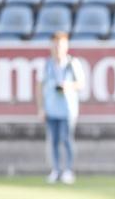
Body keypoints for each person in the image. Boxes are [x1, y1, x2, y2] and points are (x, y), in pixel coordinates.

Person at [36, 31, 84, 185]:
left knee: (67, 140)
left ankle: (68, 170)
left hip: (68, 109)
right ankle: (55, 170)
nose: (57, 47)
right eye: (55, 44)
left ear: (66, 46)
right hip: (51, 109)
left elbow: (81, 84)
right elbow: (39, 87)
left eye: (60, 44)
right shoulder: (46, 64)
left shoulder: (72, 63)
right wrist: (41, 108)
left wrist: (68, 86)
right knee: (53, 141)